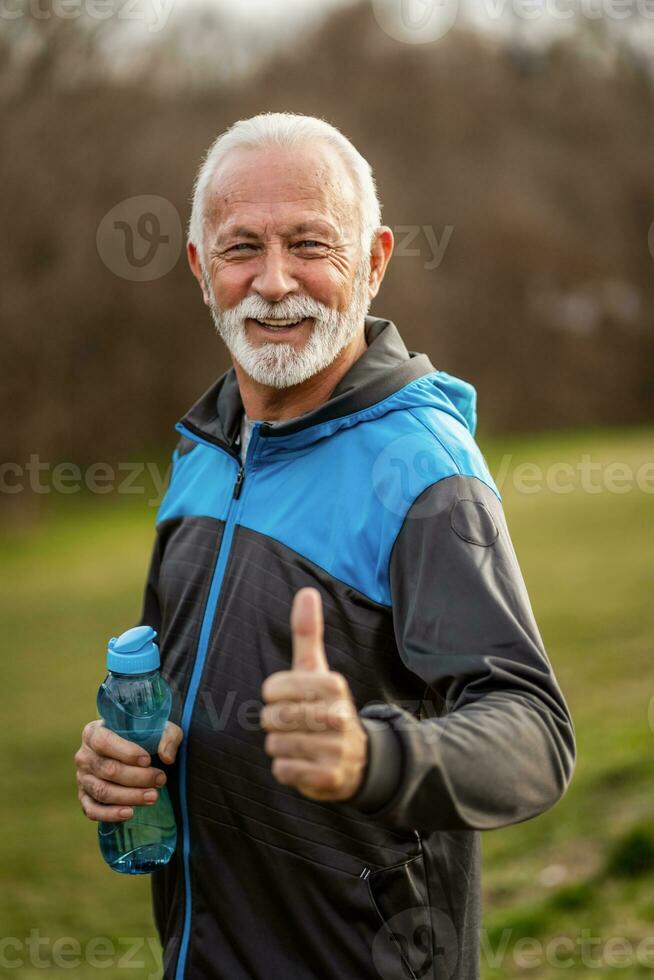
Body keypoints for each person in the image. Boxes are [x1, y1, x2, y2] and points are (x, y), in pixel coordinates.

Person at [74, 112, 576, 980]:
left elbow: (536, 734)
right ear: (201, 269)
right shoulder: (204, 446)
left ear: (375, 261)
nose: (274, 282)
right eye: (241, 249)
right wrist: (122, 755)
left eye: (311, 244)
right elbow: (167, 681)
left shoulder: (422, 469)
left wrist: (372, 754)